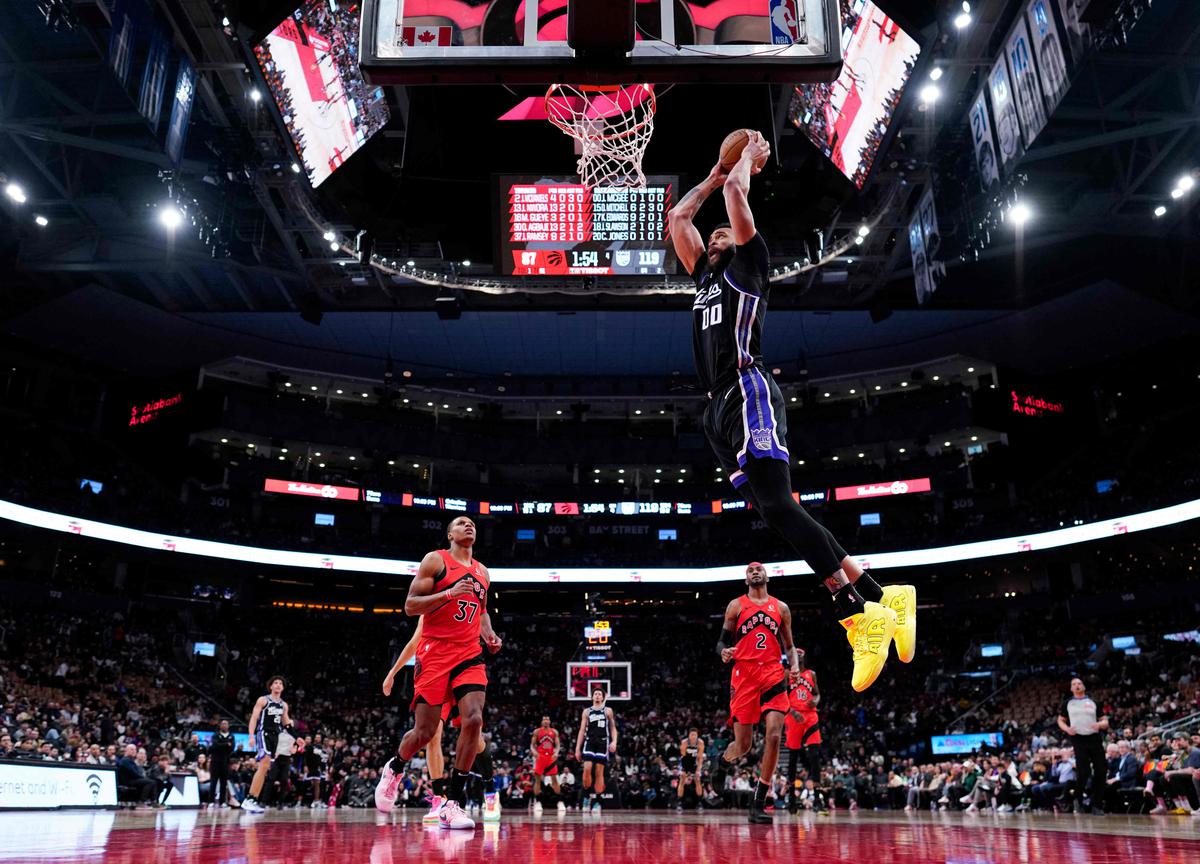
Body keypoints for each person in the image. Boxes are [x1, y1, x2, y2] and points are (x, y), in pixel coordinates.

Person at [667, 129, 916, 693]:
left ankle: (858, 616)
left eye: (723, 234)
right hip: (719, 410)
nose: (713, 236)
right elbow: (678, 221)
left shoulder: (749, 265)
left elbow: (735, 197)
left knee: (779, 506)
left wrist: (745, 164)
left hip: (748, 387)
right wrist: (710, 173)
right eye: (713, 238)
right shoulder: (706, 275)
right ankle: (882, 596)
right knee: (777, 510)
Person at [375, 516, 502, 830]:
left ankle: (453, 803)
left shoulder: (483, 573)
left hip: (469, 653)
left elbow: (482, 613)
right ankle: (395, 766)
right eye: (461, 523)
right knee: (425, 733)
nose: (468, 525)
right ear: (450, 533)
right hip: (435, 653)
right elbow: (410, 605)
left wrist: (489, 635)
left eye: (472, 523)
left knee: (474, 719)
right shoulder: (436, 560)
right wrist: (449, 593)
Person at [713, 562, 800, 823]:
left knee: (774, 736)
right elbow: (720, 643)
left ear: (766, 576)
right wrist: (723, 652)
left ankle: (758, 802)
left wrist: (793, 665)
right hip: (744, 675)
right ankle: (723, 761)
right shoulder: (736, 605)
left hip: (773, 673)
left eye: (758, 568)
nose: (754, 571)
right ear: (746, 579)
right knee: (743, 745)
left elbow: (790, 646)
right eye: (750, 570)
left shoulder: (781, 608)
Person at [241, 675, 292, 814]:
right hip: (264, 733)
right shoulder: (263, 700)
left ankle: (252, 799)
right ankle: (250, 799)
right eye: (275, 683)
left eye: (280, 683)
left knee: (265, 768)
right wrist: (251, 736)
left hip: (276, 737)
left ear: (283, 687)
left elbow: (287, 724)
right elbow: (254, 718)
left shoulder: (283, 705)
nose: (278, 685)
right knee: (264, 764)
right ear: (271, 686)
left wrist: (297, 737)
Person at [1057, 676, 1108, 814]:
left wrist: (1099, 724)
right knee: (1084, 772)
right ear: (1071, 688)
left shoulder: (1094, 702)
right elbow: (1060, 720)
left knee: (1100, 772)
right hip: (1078, 739)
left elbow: (1105, 721)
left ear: (1084, 686)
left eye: (1080, 683)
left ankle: (1097, 805)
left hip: (1095, 738)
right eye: (1074, 684)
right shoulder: (1067, 703)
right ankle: (1077, 797)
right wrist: (1067, 729)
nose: (1077, 685)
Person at [784, 648, 821, 813]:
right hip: (793, 716)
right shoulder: (786, 675)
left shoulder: (811, 674)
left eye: (800, 655)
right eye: (795, 655)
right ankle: (791, 799)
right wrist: (792, 711)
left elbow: (817, 694)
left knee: (815, 756)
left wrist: (816, 701)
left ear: (804, 657)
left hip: (811, 716)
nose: (798, 657)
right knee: (793, 757)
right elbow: (780, 697)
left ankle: (818, 800)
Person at [575, 687, 618, 812]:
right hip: (590, 741)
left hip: (603, 742)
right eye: (595, 694)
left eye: (600, 694)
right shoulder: (587, 712)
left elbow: (613, 728)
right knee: (587, 769)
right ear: (592, 697)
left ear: (603, 697)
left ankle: (597, 802)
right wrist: (577, 748)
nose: (598, 695)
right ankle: (587, 798)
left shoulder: (608, 711)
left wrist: (614, 742)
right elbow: (582, 730)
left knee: (599, 773)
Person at [531, 716, 565, 814]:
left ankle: (560, 801)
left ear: (550, 721)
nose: (546, 721)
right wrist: (534, 752)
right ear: (542, 721)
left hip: (550, 757)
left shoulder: (554, 732)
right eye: (544, 720)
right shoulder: (537, 731)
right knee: (538, 780)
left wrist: (556, 752)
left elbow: (558, 745)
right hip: (540, 756)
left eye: (547, 719)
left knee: (555, 780)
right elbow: (532, 745)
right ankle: (537, 802)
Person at [115, 743, 158, 807]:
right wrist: (143, 778)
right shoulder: (125, 760)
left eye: (135, 750)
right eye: (132, 749)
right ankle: (142, 802)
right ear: (126, 751)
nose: (134, 751)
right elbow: (134, 773)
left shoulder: (130, 760)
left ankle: (153, 802)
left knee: (152, 781)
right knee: (150, 782)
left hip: (133, 780)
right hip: (128, 781)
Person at [676, 727, 705, 811]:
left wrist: (698, 770)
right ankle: (679, 803)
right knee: (682, 779)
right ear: (689, 735)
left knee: (698, 779)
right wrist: (685, 771)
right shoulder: (684, 743)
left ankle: (699, 803)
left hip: (694, 762)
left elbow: (700, 757)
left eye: (695, 735)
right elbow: (683, 757)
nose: (693, 736)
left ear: (697, 735)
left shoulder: (700, 743)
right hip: (685, 762)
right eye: (692, 735)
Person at [209, 719, 235, 808]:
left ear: (228, 726)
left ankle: (222, 802)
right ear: (220, 725)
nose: (224, 725)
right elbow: (214, 746)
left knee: (224, 783)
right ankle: (211, 801)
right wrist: (226, 744)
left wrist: (222, 745)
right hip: (215, 762)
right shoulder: (215, 735)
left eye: (226, 724)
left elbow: (232, 748)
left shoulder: (232, 736)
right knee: (213, 782)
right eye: (223, 724)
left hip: (225, 762)